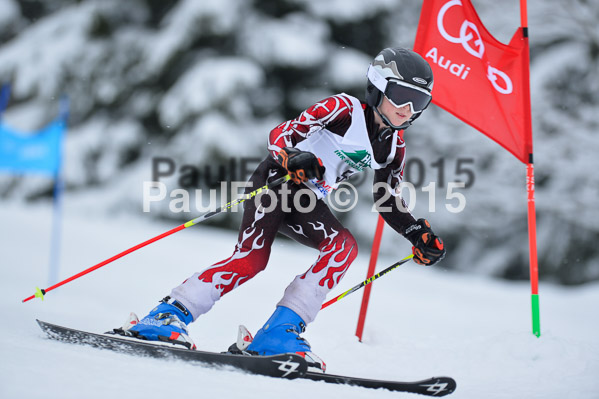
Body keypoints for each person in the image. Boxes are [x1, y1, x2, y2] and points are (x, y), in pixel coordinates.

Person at [122, 47, 446, 371]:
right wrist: (292, 156)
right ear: (378, 87)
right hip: (277, 180)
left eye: (418, 102)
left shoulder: (393, 146)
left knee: (343, 247)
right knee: (251, 259)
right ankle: (165, 316)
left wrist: (416, 232)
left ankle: (278, 334)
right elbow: (282, 133)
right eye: (401, 95)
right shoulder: (343, 109)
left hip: (306, 199)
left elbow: (387, 198)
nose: (407, 108)